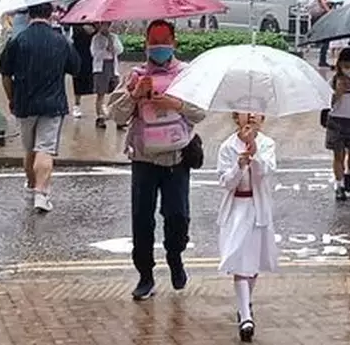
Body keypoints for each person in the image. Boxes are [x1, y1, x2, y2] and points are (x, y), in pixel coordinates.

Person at [107, 20, 207, 301]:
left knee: (177, 215)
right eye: (154, 44)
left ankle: (175, 256)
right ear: (145, 44)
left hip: (177, 157)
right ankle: (145, 275)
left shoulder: (187, 75)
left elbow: (200, 113)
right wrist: (134, 94)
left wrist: (175, 103)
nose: (159, 50)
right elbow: (115, 115)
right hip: (143, 158)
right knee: (142, 219)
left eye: (164, 44)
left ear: (174, 43)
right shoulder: (134, 75)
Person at [0, 2, 80, 214]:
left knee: (29, 149)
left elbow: (5, 74)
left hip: (24, 103)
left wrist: (11, 98)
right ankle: (42, 194)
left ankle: (32, 186)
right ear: (50, 14)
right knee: (45, 149)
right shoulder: (60, 40)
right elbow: (76, 68)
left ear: (29, 14)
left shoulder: (17, 40)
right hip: (53, 105)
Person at [216, 111, 279, 343]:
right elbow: (225, 181)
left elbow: (266, 172)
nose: (251, 115)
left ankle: (245, 306)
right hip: (236, 210)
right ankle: (245, 317)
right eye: (246, 111)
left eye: (257, 112)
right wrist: (239, 165)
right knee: (239, 262)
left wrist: (255, 154)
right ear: (235, 117)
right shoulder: (227, 146)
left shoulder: (267, 144)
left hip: (257, 208)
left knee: (252, 263)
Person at [325, 49, 350, 201]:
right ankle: (339, 185)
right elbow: (327, 103)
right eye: (346, 66)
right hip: (336, 120)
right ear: (340, 65)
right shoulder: (333, 81)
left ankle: (349, 173)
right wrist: (338, 92)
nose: (349, 69)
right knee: (338, 155)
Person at [91, 22, 124, 128]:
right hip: (101, 68)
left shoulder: (114, 37)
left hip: (113, 67)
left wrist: (112, 44)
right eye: (103, 25)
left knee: (117, 92)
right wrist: (105, 48)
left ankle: (119, 119)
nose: (106, 27)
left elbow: (120, 50)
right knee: (101, 93)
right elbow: (94, 53)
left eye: (107, 25)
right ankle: (100, 117)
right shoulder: (96, 38)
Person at [307, 0, 337, 68]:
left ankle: (322, 59)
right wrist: (329, 10)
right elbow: (323, 0)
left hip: (318, 16)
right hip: (322, 16)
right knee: (326, 38)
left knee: (325, 38)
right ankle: (322, 60)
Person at [69, 24, 95, 119]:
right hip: (79, 50)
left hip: (93, 50)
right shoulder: (75, 14)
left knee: (98, 77)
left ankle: (101, 104)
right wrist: (81, 28)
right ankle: (77, 104)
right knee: (78, 77)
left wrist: (95, 28)